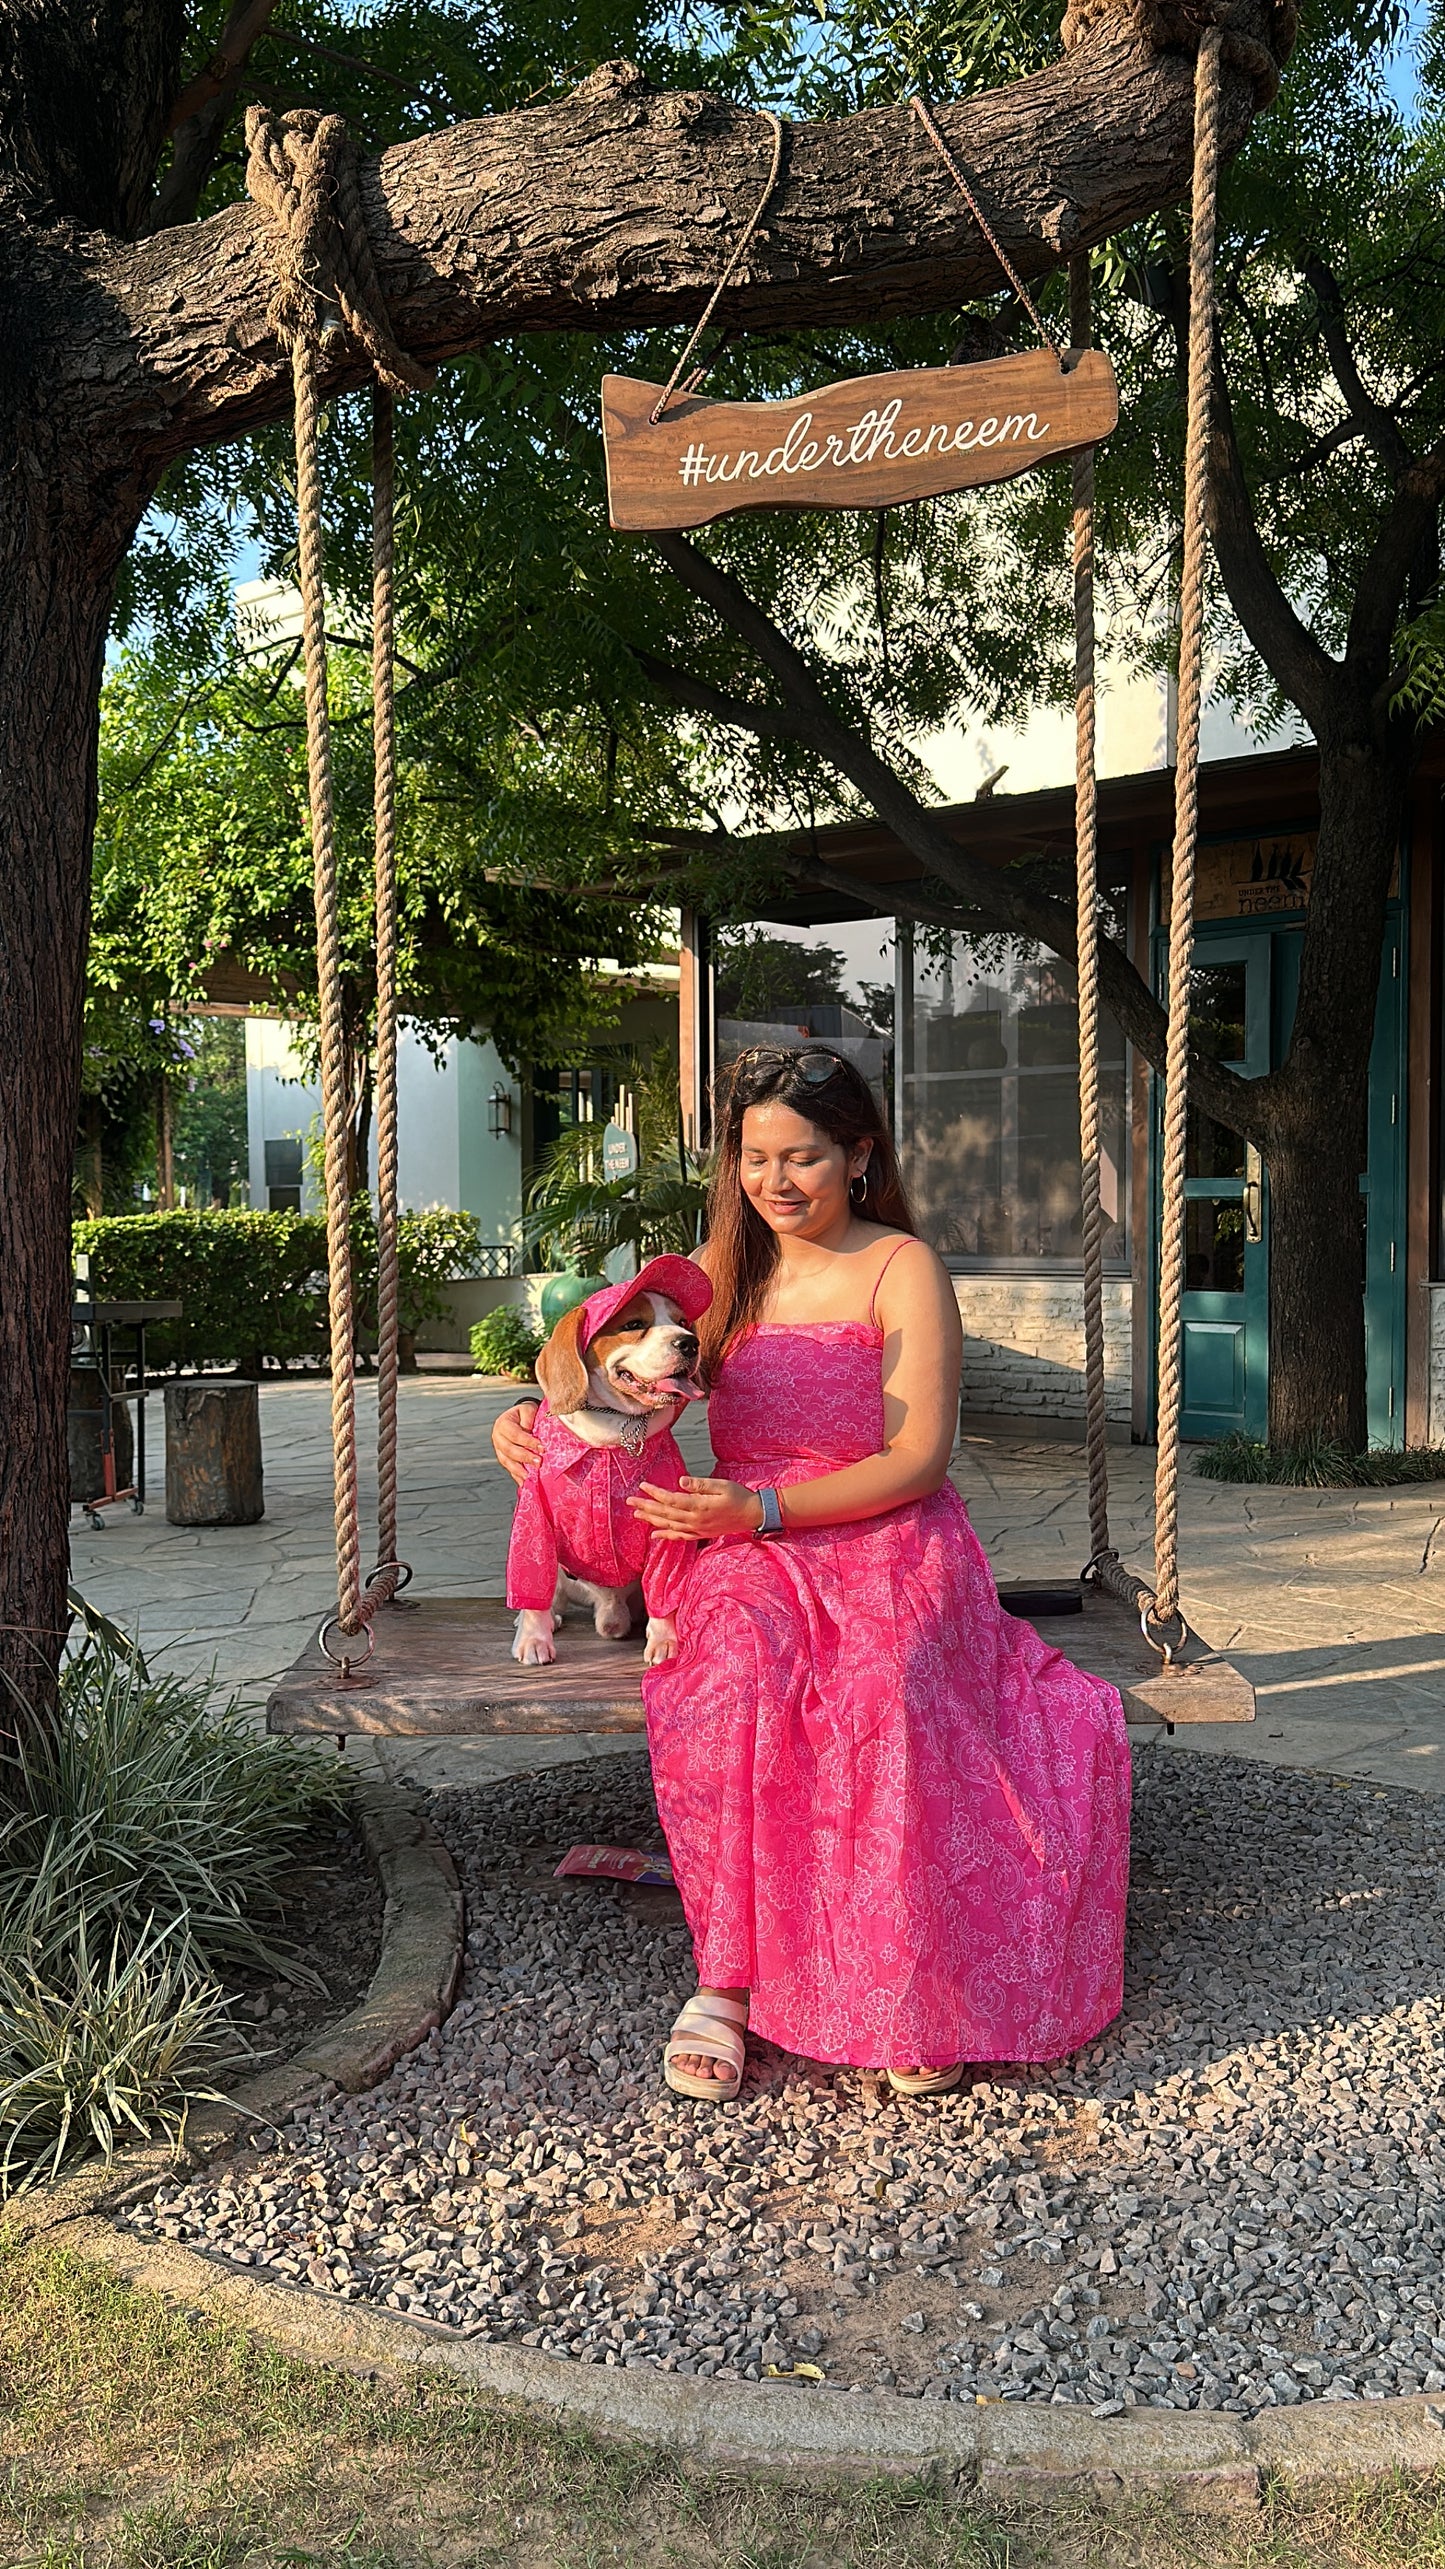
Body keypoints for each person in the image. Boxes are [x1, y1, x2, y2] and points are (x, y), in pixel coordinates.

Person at [492, 1045, 1130, 2102]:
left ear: (860, 1154)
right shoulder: (712, 1273)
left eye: (804, 1157)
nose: (775, 1183)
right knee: (728, 1673)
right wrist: (522, 1419)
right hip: (744, 1545)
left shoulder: (900, 1266)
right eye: (754, 1159)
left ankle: (906, 1984)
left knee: (882, 1684)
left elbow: (916, 1456)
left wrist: (766, 1506)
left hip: (886, 1527)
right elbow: (602, 1373)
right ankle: (729, 1979)